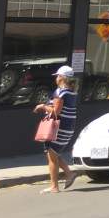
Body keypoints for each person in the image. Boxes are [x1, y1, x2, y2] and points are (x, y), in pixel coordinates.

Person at [35, 65, 78, 193]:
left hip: (60, 127)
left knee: (52, 156)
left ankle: (54, 186)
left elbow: (55, 112)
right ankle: (69, 174)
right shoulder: (72, 92)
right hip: (68, 126)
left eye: (58, 76)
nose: (56, 78)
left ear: (62, 78)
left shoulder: (60, 92)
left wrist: (42, 106)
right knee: (54, 153)